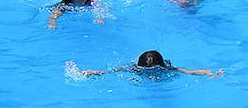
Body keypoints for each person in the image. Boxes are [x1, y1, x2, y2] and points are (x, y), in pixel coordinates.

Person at [80, 49, 223, 77]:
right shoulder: (135, 69)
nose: (151, 73)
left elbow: (189, 71)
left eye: (154, 69)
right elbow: (113, 71)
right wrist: (94, 72)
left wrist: (209, 73)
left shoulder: (166, 68)